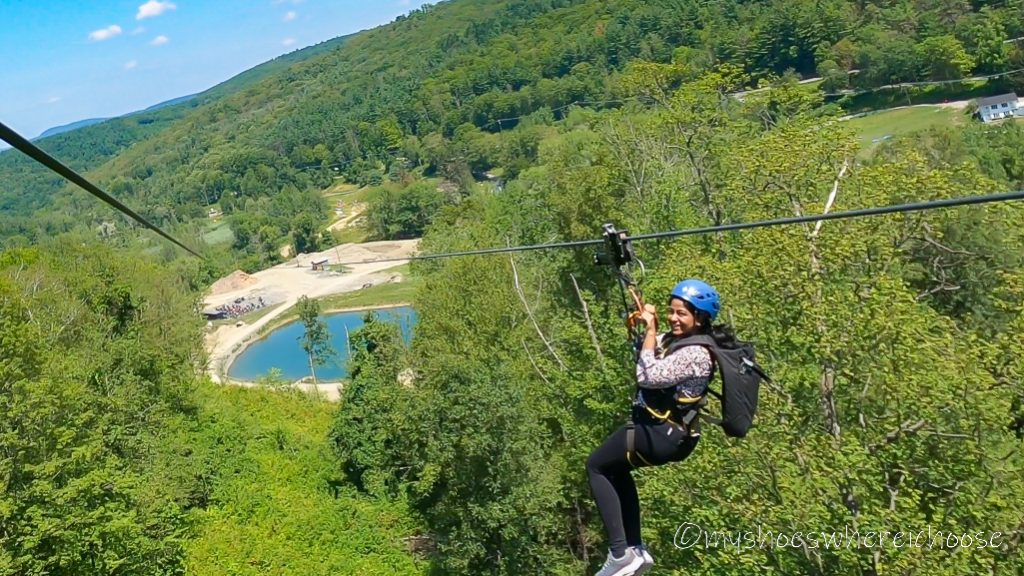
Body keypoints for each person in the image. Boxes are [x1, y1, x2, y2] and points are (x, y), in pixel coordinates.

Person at [586, 279, 732, 576]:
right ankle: (635, 550)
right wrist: (644, 321)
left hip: (661, 435)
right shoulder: (682, 341)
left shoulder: (697, 354)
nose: (674, 319)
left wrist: (651, 331)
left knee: (596, 466)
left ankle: (619, 554)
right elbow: (650, 350)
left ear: (700, 319)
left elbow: (647, 375)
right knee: (616, 468)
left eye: (682, 314)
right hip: (664, 433)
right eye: (671, 312)